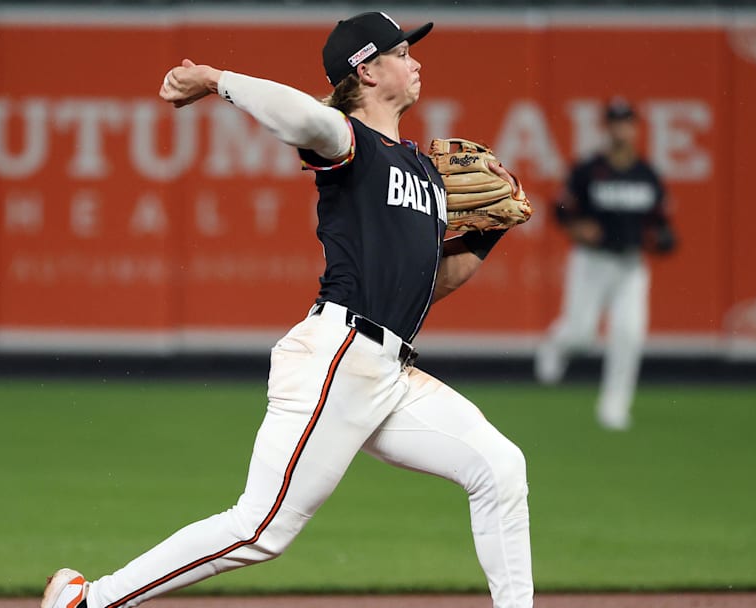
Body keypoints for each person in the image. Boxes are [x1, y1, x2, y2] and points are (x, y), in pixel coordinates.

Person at [41, 12, 533, 608]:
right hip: (337, 357)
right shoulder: (350, 142)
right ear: (369, 71)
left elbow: (427, 286)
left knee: (500, 468)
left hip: (387, 370)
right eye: (403, 53)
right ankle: (87, 601)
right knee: (260, 529)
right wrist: (216, 78)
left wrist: (486, 235)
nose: (416, 62)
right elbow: (304, 118)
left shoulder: (423, 170)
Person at [535, 98, 676, 431]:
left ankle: (614, 407)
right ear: (607, 127)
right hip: (592, 261)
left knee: (629, 334)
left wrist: (663, 238)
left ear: (636, 128)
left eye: (627, 122)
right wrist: (577, 227)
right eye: (615, 122)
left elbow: (661, 224)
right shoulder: (589, 170)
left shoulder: (647, 175)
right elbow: (560, 209)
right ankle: (555, 343)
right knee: (581, 335)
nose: (621, 128)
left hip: (631, 265)